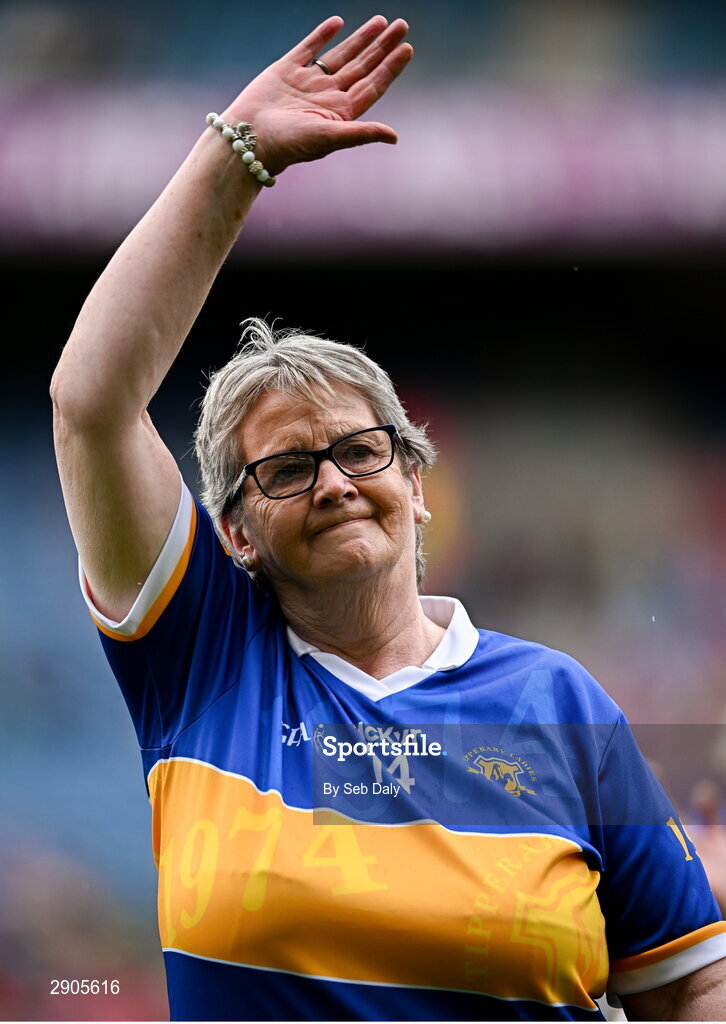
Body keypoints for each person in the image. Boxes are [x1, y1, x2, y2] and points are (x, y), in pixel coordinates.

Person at [51, 14, 726, 1023]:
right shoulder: (203, 663)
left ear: (416, 482)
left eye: (361, 451)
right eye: (284, 468)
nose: (332, 482)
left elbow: (690, 981)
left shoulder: (560, 702)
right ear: (231, 530)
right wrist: (232, 159)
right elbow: (92, 403)